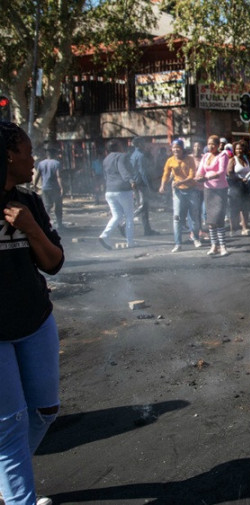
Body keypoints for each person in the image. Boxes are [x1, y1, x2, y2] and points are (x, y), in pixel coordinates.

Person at [0, 121, 64, 505]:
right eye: (27, 151)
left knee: (44, 410)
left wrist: (30, 229)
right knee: (9, 424)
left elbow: (54, 263)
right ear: (8, 155)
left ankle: (8, 478)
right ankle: (18, 496)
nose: (34, 158)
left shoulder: (30, 202)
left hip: (35, 321)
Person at [159, 139, 202, 252]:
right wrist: (162, 185)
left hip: (191, 190)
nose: (176, 149)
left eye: (178, 147)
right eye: (173, 147)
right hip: (178, 192)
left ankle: (196, 238)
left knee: (194, 217)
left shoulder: (190, 159)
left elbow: (192, 175)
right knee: (177, 218)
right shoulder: (170, 161)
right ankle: (178, 243)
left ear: (182, 149)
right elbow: (165, 174)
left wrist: (181, 182)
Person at [194, 135, 230, 256]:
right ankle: (214, 245)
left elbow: (221, 172)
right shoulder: (205, 156)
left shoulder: (223, 155)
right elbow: (200, 170)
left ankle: (223, 246)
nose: (211, 146)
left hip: (220, 190)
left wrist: (207, 177)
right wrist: (198, 176)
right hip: (208, 190)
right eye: (209, 144)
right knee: (210, 220)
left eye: (213, 144)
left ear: (218, 145)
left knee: (219, 218)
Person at [98, 139, 137, 249]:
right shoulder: (122, 156)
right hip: (123, 190)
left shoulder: (106, 159)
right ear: (118, 147)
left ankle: (104, 235)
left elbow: (106, 175)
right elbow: (123, 169)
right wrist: (131, 181)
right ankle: (130, 242)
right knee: (129, 216)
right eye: (120, 144)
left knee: (117, 215)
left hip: (109, 190)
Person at [130, 137, 157, 236]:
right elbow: (143, 172)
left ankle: (147, 229)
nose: (145, 144)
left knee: (144, 207)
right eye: (143, 143)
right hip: (141, 183)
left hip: (137, 182)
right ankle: (124, 222)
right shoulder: (140, 155)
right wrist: (149, 185)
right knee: (143, 206)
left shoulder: (134, 154)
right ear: (139, 144)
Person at [226, 140, 250, 236]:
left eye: (241, 148)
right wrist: (240, 179)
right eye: (237, 149)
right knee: (235, 209)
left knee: (245, 208)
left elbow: (249, 171)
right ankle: (233, 229)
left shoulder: (246, 159)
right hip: (236, 187)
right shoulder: (233, 160)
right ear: (234, 150)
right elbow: (229, 173)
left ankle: (245, 227)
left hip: (246, 186)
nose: (239, 151)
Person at [34, 147, 64, 230]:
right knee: (58, 206)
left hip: (45, 188)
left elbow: (37, 175)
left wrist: (34, 185)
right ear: (54, 154)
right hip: (55, 188)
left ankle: (45, 223)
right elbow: (58, 176)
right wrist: (61, 187)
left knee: (47, 207)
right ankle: (59, 224)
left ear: (47, 155)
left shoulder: (41, 163)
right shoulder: (57, 163)